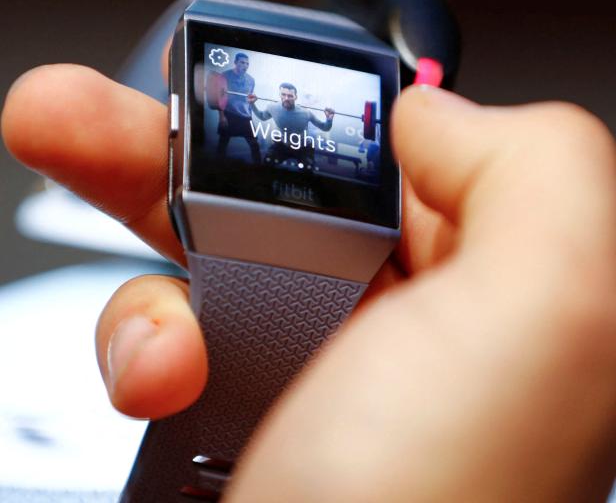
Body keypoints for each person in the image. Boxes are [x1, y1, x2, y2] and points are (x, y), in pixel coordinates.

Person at [2, 63, 616, 502]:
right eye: (287, 87)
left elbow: (320, 136)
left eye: (293, 87)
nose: (287, 92)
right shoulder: (267, 109)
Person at [249, 83, 335, 169]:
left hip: (303, 147)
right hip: (282, 145)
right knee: (267, 162)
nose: (286, 98)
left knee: (308, 169)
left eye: (290, 96)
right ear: (280, 95)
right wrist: (252, 104)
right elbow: (262, 117)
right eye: (283, 94)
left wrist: (329, 119)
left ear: (295, 97)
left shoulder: (306, 113)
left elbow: (325, 128)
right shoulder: (272, 107)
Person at [216, 52, 261, 164]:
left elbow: (249, 97)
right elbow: (219, 97)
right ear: (235, 62)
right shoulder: (224, 76)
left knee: (254, 144)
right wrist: (222, 117)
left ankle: (259, 169)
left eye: (247, 63)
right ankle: (217, 167)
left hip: (245, 116)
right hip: (229, 113)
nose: (245, 65)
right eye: (242, 62)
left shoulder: (251, 80)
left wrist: (253, 101)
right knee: (223, 143)